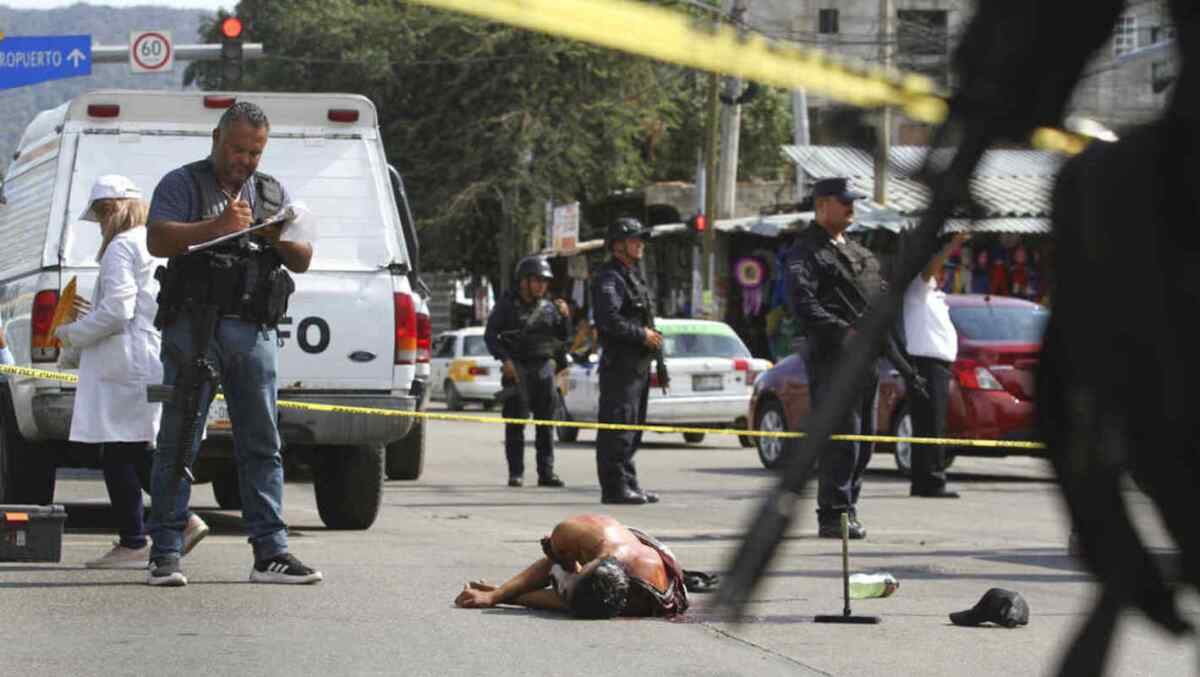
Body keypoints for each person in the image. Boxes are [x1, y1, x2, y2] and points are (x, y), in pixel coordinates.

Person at [144, 101, 321, 586]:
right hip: (195, 327)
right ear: (217, 139)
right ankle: (165, 550)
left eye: (255, 152)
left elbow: (303, 257)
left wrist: (277, 237)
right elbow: (158, 239)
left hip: (254, 329)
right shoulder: (183, 183)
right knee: (179, 439)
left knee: (262, 442)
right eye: (238, 148)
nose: (245, 159)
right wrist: (216, 228)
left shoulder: (271, 192)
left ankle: (271, 553)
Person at [54, 176, 210, 569]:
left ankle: (136, 538)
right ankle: (177, 520)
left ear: (113, 210)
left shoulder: (122, 247)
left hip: (124, 363)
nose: (103, 222)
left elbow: (117, 311)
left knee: (119, 449)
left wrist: (70, 334)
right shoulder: (154, 241)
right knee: (138, 446)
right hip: (150, 357)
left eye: (104, 213)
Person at [785, 177, 885, 539]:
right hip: (833, 357)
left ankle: (849, 507)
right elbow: (803, 304)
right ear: (822, 205)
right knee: (842, 438)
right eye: (844, 201)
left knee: (864, 440)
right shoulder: (806, 252)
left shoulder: (857, 251)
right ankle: (834, 513)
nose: (851, 207)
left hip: (868, 356)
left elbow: (879, 293)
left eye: (852, 201)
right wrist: (846, 332)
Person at [453, 514, 688, 618]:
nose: (559, 586)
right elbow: (550, 568)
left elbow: (564, 603)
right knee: (557, 565)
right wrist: (497, 594)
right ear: (584, 566)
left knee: (565, 581)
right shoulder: (578, 533)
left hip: (651, 575)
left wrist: (504, 597)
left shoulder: (636, 601)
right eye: (568, 582)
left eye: (564, 592)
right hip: (624, 545)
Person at [483, 255, 571, 488]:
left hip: (543, 369)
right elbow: (490, 335)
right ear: (524, 281)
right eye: (537, 280)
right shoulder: (506, 305)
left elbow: (562, 338)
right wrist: (505, 359)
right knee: (515, 425)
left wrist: (565, 317)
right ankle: (516, 473)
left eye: (545, 281)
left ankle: (546, 473)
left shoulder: (550, 307)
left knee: (546, 424)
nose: (542, 285)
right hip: (516, 369)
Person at [592, 218, 662, 505]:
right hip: (620, 366)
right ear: (618, 245)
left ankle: (629, 482)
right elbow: (608, 320)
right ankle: (615, 487)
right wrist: (641, 334)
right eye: (635, 239)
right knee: (618, 429)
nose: (640, 244)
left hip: (637, 367)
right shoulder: (609, 278)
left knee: (633, 428)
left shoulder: (632, 276)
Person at [902, 232, 969, 499]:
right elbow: (929, 269)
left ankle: (924, 480)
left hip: (936, 364)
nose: (944, 274)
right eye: (942, 270)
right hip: (925, 363)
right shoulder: (917, 290)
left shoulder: (935, 296)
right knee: (930, 423)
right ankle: (931, 480)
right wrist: (952, 246)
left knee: (931, 423)